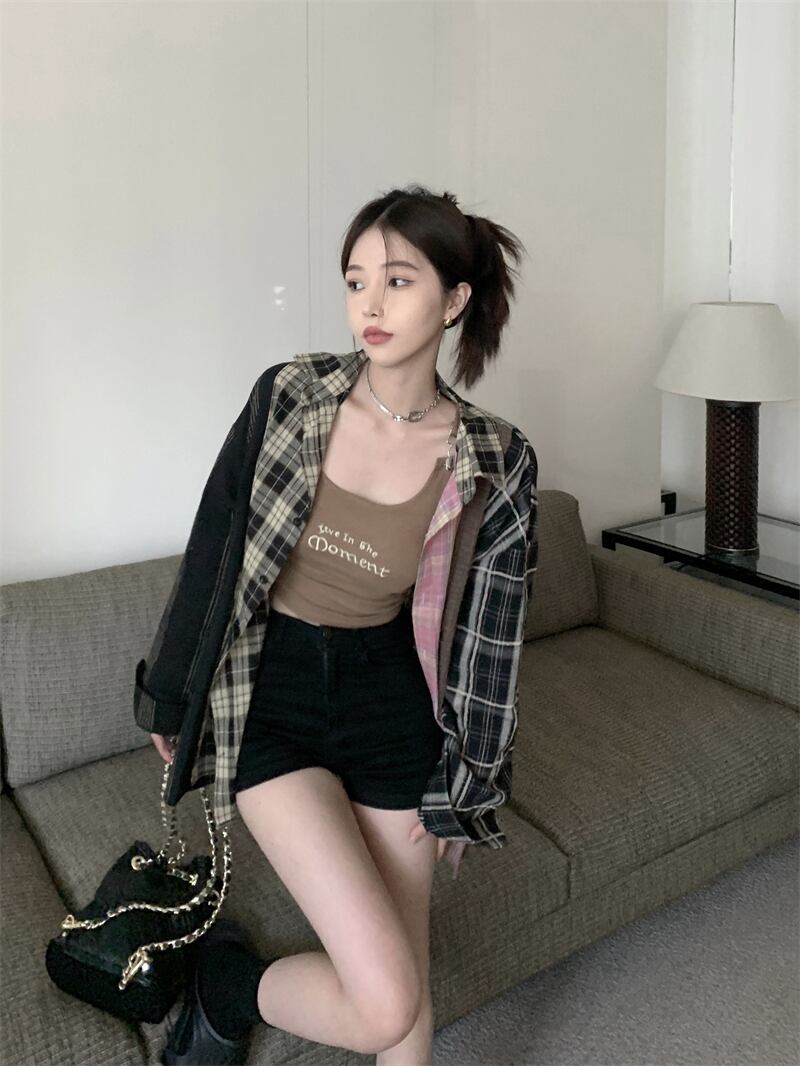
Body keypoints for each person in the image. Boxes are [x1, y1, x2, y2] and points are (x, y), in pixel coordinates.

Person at [143, 184, 539, 1065]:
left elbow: (491, 641)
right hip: (272, 693)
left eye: (398, 280)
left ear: (455, 300)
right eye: (357, 280)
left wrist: (464, 784)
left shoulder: (494, 458)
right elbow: (214, 545)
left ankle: (228, 989)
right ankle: (231, 987)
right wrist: (172, 696)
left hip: (390, 702)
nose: (370, 304)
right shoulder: (291, 396)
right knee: (387, 1002)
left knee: (404, 984)